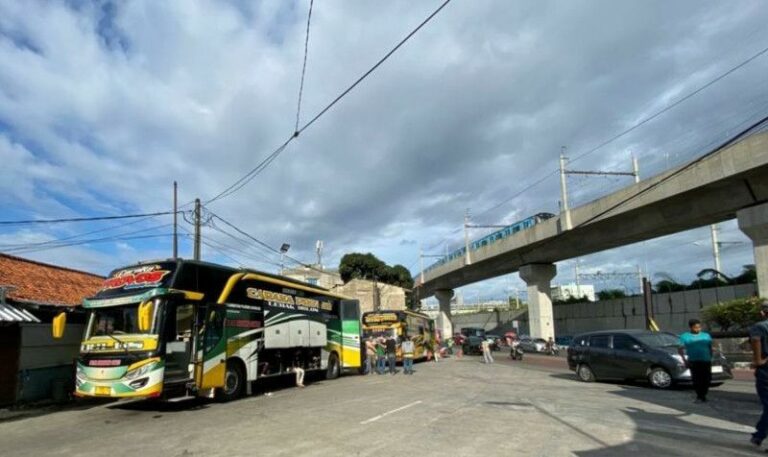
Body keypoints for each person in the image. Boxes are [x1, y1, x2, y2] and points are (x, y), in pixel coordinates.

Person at [678, 318, 713, 403]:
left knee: (707, 379)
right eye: (696, 327)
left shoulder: (706, 335)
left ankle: (704, 395)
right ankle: (699, 396)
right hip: (693, 360)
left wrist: (711, 356)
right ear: (691, 327)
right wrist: (684, 360)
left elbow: (710, 347)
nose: (698, 329)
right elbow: (680, 349)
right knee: (697, 379)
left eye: (699, 327)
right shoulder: (684, 336)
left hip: (706, 360)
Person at [750, 300, 768, 449]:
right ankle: (759, 434)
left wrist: (758, 360)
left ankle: (760, 434)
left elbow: (756, 340)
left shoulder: (759, 326)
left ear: (763, 312)